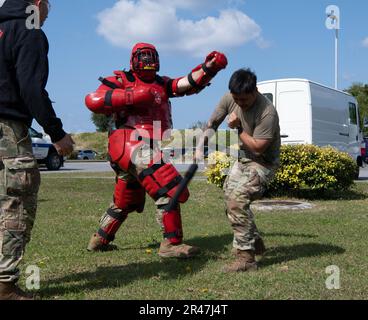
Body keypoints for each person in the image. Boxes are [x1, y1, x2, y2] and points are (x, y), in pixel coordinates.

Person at [85, 42, 227, 258]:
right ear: (133, 60)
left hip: (142, 145)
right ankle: (171, 244)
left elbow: (186, 84)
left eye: (151, 56)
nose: (148, 60)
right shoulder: (121, 80)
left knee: (126, 200)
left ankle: (99, 239)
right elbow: (93, 100)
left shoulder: (162, 83)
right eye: (144, 56)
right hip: (129, 141)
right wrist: (132, 96)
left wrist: (209, 68)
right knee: (169, 186)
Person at [0, 0, 74, 299]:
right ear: (38, 3)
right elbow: (31, 88)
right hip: (8, 129)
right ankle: (4, 284)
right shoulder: (28, 29)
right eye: (48, 9)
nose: (45, 16)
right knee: (16, 202)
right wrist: (57, 134)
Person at [196, 68, 280, 272]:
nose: (240, 103)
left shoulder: (267, 112)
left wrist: (238, 128)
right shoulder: (229, 98)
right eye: (237, 99)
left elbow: (258, 147)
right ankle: (254, 241)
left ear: (255, 91)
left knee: (237, 200)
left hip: (263, 164)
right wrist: (200, 146)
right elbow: (212, 123)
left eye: (244, 100)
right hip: (242, 160)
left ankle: (246, 259)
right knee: (230, 199)